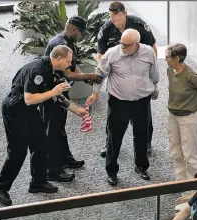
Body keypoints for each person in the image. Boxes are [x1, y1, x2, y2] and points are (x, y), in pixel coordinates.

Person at [0, 45, 87, 206]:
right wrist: (54, 92)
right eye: (68, 61)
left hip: (30, 110)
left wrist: (75, 109)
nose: (70, 65)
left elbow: (56, 94)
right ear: (58, 59)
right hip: (15, 110)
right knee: (18, 151)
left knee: (41, 143)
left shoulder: (52, 69)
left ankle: (38, 182)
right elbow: (29, 98)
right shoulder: (37, 70)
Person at [86, 29, 159, 186]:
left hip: (142, 102)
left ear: (136, 44)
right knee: (114, 138)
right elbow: (99, 74)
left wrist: (155, 87)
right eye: (121, 43)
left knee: (141, 135)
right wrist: (94, 93)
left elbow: (154, 73)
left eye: (126, 45)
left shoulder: (148, 53)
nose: (123, 47)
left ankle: (141, 167)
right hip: (119, 102)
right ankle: (112, 171)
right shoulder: (112, 53)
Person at [42, 16, 102, 182]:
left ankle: (65, 158)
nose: (82, 37)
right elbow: (67, 73)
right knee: (52, 131)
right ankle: (53, 170)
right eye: (81, 33)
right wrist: (90, 75)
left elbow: (73, 66)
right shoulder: (59, 44)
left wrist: (84, 77)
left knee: (59, 129)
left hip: (61, 89)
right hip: (52, 94)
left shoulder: (67, 41)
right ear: (75, 29)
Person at [97, 1, 158, 158]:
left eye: (117, 18)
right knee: (113, 119)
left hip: (140, 77)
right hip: (118, 79)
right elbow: (101, 54)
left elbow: (153, 49)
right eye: (111, 18)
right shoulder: (106, 29)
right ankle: (108, 142)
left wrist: (148, 76)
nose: (114, 21)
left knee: (144, 119)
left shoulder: (139, 25)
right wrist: (105, 72)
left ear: (125, 13)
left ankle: (146, 144)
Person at [165, 43, 197, 181]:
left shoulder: (190, 76)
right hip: (173, 115)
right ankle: (181, 181)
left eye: (168, 57)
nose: (165, 60)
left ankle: (193, 187)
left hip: (189, 118)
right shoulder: (170, 70)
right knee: (176, 151)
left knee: (191, 154)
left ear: (178, 58)